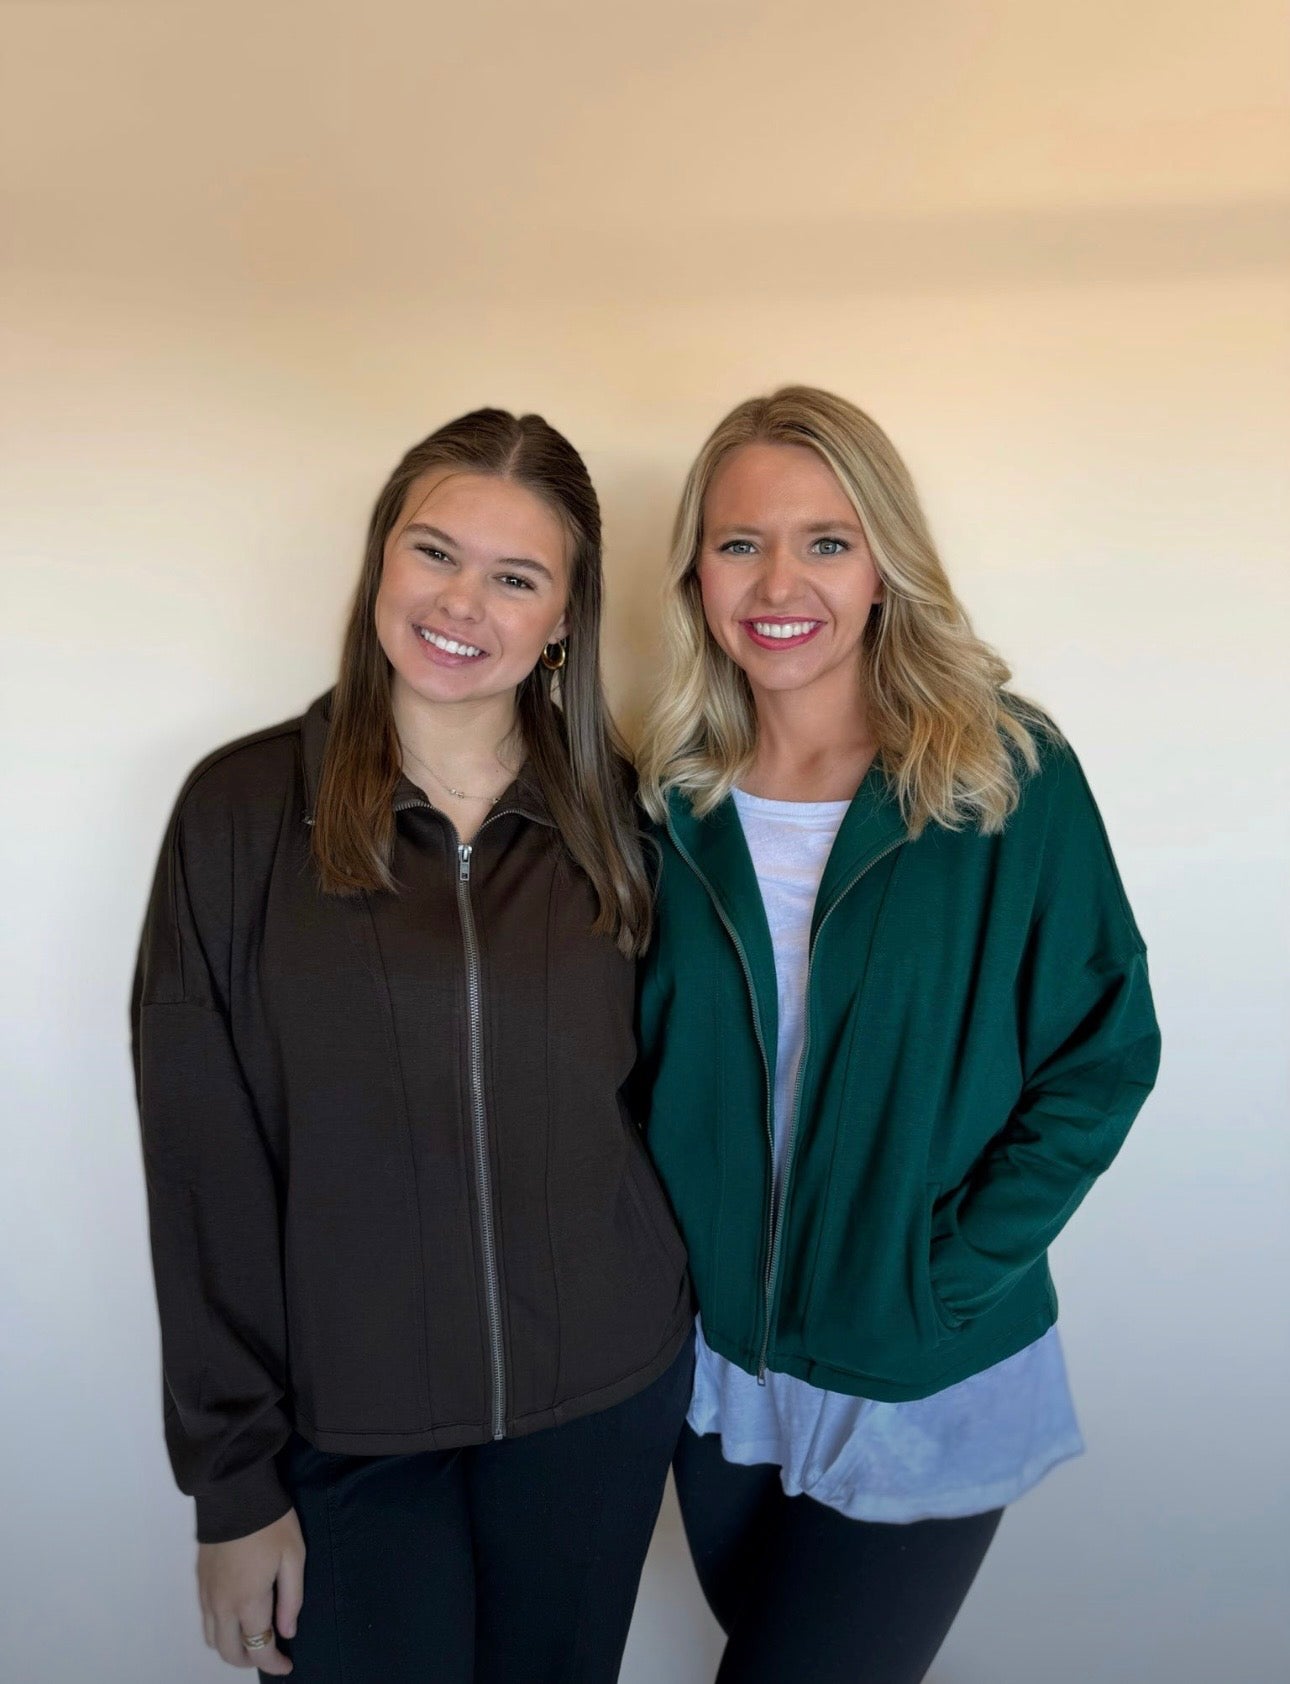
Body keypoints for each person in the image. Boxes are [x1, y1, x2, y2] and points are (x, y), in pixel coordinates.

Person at [132, 408, 693, 1683]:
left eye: (515, 576)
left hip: (600, 1404)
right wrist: (232, 1482)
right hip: (347, 1436)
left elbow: (675, 1098)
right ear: (381, 558)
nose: (462, 603)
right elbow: (200, 1161)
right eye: (434, 551)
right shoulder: (239, 811)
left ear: (563, 615)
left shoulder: (624, 817)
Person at [633, 386, 1161, 1684]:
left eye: (825, 540)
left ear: (884, 567)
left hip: (916, 1363)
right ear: (696, 572)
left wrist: (948, 1272)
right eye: (738, 540)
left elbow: (1104, 1047)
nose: (778, 580)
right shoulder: (670, 803)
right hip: (719, 1379)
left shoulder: (998, 773)